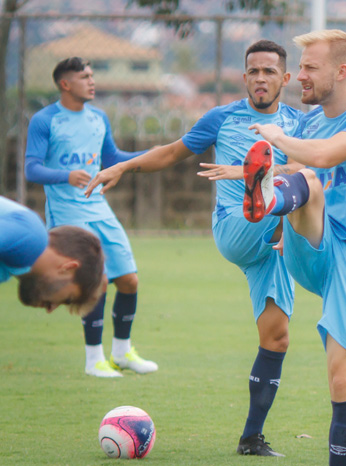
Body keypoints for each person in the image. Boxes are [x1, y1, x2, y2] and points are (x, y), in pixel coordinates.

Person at [85, 40, 305, 456]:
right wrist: (123, 165)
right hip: (237, 227)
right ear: (244, 78)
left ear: (285, 78)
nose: (261, 78)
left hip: (273, 244)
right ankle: (264, 193)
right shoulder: (222, 118)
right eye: (254, 71)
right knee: (297, 194)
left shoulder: (300, 122)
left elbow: (317, 163)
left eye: (269, 71)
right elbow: (170, 153)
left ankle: (251, 438)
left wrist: (262, 169)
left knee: (276, 338)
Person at [242, 29, 346, 465]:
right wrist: (262, 176)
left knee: (343, 378)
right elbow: (297, 166)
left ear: (342, 70)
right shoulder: (310, 124)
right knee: (306, 183)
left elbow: (325, 154)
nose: (300, 77)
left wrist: (277, 139)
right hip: (312, 245)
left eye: (310, 68)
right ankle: (267, 204)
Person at [24, 57, 158, 378]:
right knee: (95, 281)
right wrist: (65, 175)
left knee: (128, 279)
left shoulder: (98, 118)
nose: (92, 81)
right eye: (84, 76)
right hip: (68, 214)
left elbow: (111, 158)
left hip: (100, 208)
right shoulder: (45, 121)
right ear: (65, 84)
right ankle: (94, 359)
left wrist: (157, 152)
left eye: (92, 75)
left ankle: (122, 353)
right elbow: (31, 168)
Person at [1, 195, 105, 315]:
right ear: (68, 268)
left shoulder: (7, 269)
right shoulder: (32, 237)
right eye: (67, 299)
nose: (51, 309)